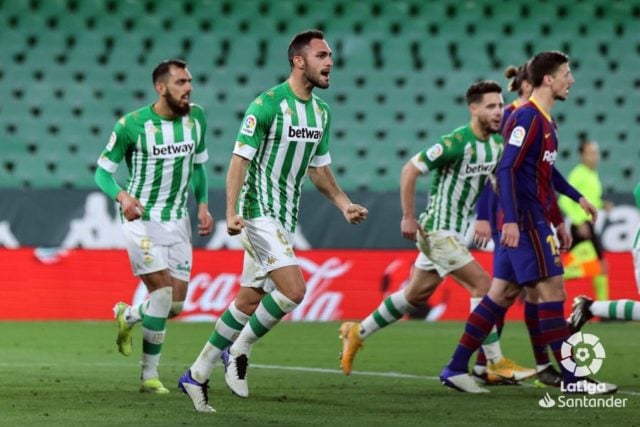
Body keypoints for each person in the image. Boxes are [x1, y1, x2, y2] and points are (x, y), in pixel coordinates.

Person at [177, 30, 368, 413]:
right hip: (257, 212)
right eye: (321, 55)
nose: (329, 62)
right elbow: (239, 160)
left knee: (249, 299)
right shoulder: (266, 106)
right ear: (299, 61)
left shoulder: (321, 113)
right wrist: (231, 210)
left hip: (285, 217)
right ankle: (241, 348)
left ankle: (196, 374)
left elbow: (319, 170)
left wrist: (343, 204)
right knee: (294, 290)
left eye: (330, 54)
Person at [439, 50, 617, 394]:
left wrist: (571, 201)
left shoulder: (546, 121)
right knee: (552, 291)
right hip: (523, 219)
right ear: (548, 79)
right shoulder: (526, 118)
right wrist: (508, 220)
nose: (572, 80)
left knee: (500, 295)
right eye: (567, 73)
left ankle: (456, 366)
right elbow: (505, 167)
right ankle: (573, 379)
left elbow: (544, 172)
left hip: (531, 217)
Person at [338, 80, 535, 385]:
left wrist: (493, 217)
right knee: (484, 286)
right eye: (491, 106)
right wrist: (408, 216)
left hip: (456, 232)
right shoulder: (456, 141)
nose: (499, 112)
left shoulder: (496, 146)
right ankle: (494, 362)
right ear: (474, 109)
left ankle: (357, 331)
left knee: (415, 295)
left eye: (500, 105)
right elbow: (410, 169)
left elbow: (497, 185)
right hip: (437, 231)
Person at [94, 59, 213, 394]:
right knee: (161, 295)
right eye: (180, 82)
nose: (188, 88)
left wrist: (202, 204)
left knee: (175, 306)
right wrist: (122, 196)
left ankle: (129, 315)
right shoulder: (131, 125)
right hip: (141, 219)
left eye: (189, 81)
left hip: (178, 220)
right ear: (161, 88)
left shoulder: (197, 118)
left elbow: (200, 166)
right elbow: (102, 172)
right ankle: (149, 375)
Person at [475, 62, 562, 386]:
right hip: (512, 217)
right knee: (513, 293)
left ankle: (484, 364)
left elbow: (547, 172)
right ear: (530, 84)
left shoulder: (535, 116)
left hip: (522, 215)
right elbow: (495, 169)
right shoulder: (515, 116)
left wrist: (564, 208)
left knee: (507, 292)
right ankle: (491, 362)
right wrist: (486, 214)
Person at [567, 179, 640, 330]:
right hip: (582, 230)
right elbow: (638, 192)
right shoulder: (580, 173)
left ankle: (589, 308)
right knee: (584, 269)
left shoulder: (589, 175)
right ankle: (589, 308)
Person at [558, 140, 610, 300]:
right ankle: (548, 279)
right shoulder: (578, 173)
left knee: (599, 267)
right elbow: (564, 200)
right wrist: (579, 221)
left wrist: (602, 204)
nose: (595, 157)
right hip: (581, 226)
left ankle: (603, 309)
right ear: (582, 156)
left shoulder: (592, 174)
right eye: (590, 153)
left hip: (587, 225)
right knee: (598, 267)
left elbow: (590, 198)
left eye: (596, 153)